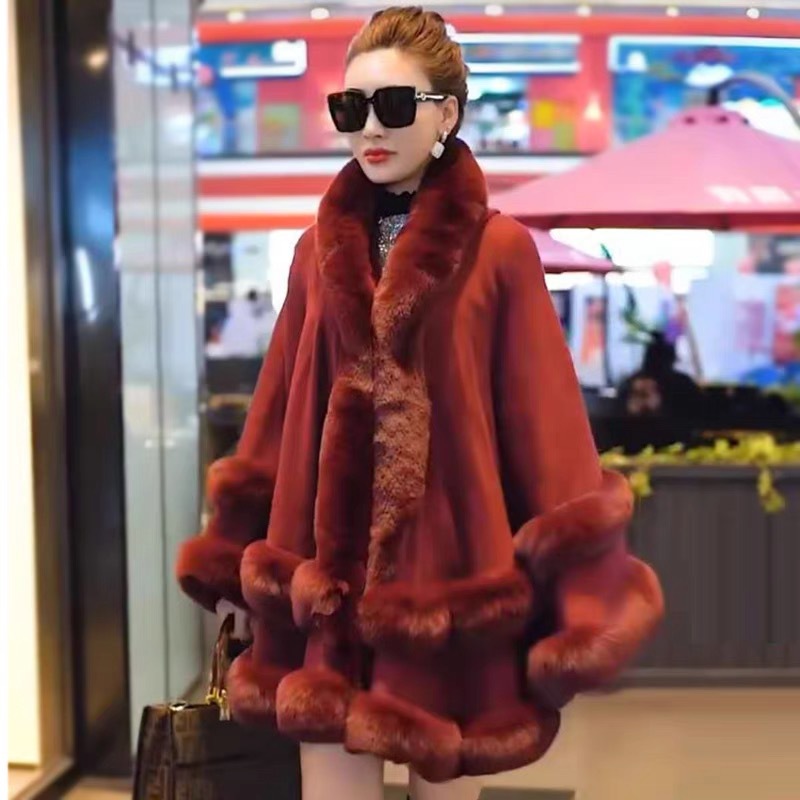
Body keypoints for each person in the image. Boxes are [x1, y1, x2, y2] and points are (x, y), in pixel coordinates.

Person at [177, 8, 664, 800]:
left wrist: (581, 585)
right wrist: (235, 542)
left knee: (444, 778)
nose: (370, 127)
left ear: (447, 114)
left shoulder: (499, 251)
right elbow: (278, 409)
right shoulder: (313, 254)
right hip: (324, 595)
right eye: (351, 107)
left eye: (395, 105)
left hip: (446, 599)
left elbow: (542, 420)